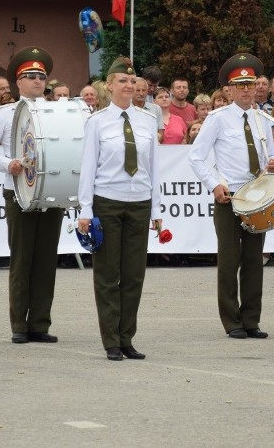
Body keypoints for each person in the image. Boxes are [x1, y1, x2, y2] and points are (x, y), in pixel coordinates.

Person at [189, 53, 274, 340]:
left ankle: (252, 319)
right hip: (229, 195)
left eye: (250, 84)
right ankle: (232, 321)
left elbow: (270, 156)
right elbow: (196, 157)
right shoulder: (217, 119)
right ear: (229, 89)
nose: (245, 89)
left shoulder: (263, 119)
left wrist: (273, 165)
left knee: (254, 259)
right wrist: (214, 184)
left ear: (256, 87)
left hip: (257, 196)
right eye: (239, 85)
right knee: (229, 260)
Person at [0, 47, 63, 345]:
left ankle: (40, 322)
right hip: (19, 192)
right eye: (30, 76)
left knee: (46, 260)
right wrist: (7, 164)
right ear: (18, 82)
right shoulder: (5, 114)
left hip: (50, 193)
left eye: (41, 76)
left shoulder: (56, 112)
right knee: (22, 259)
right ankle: (19, 325)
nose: (37, 81)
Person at [77, 57, 162, 361]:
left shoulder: (148, 120)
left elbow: (154, 169)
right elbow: (87, 168)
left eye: (132, 81)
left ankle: (127, 337)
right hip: (107, 202)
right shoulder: (97, 122)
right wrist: (85, 210)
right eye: (122, 81)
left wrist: (156, 210)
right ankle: (111, 339)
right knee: (108, 273)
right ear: (110, 85)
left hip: (138, 201)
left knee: (134, 275)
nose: (129, 85)